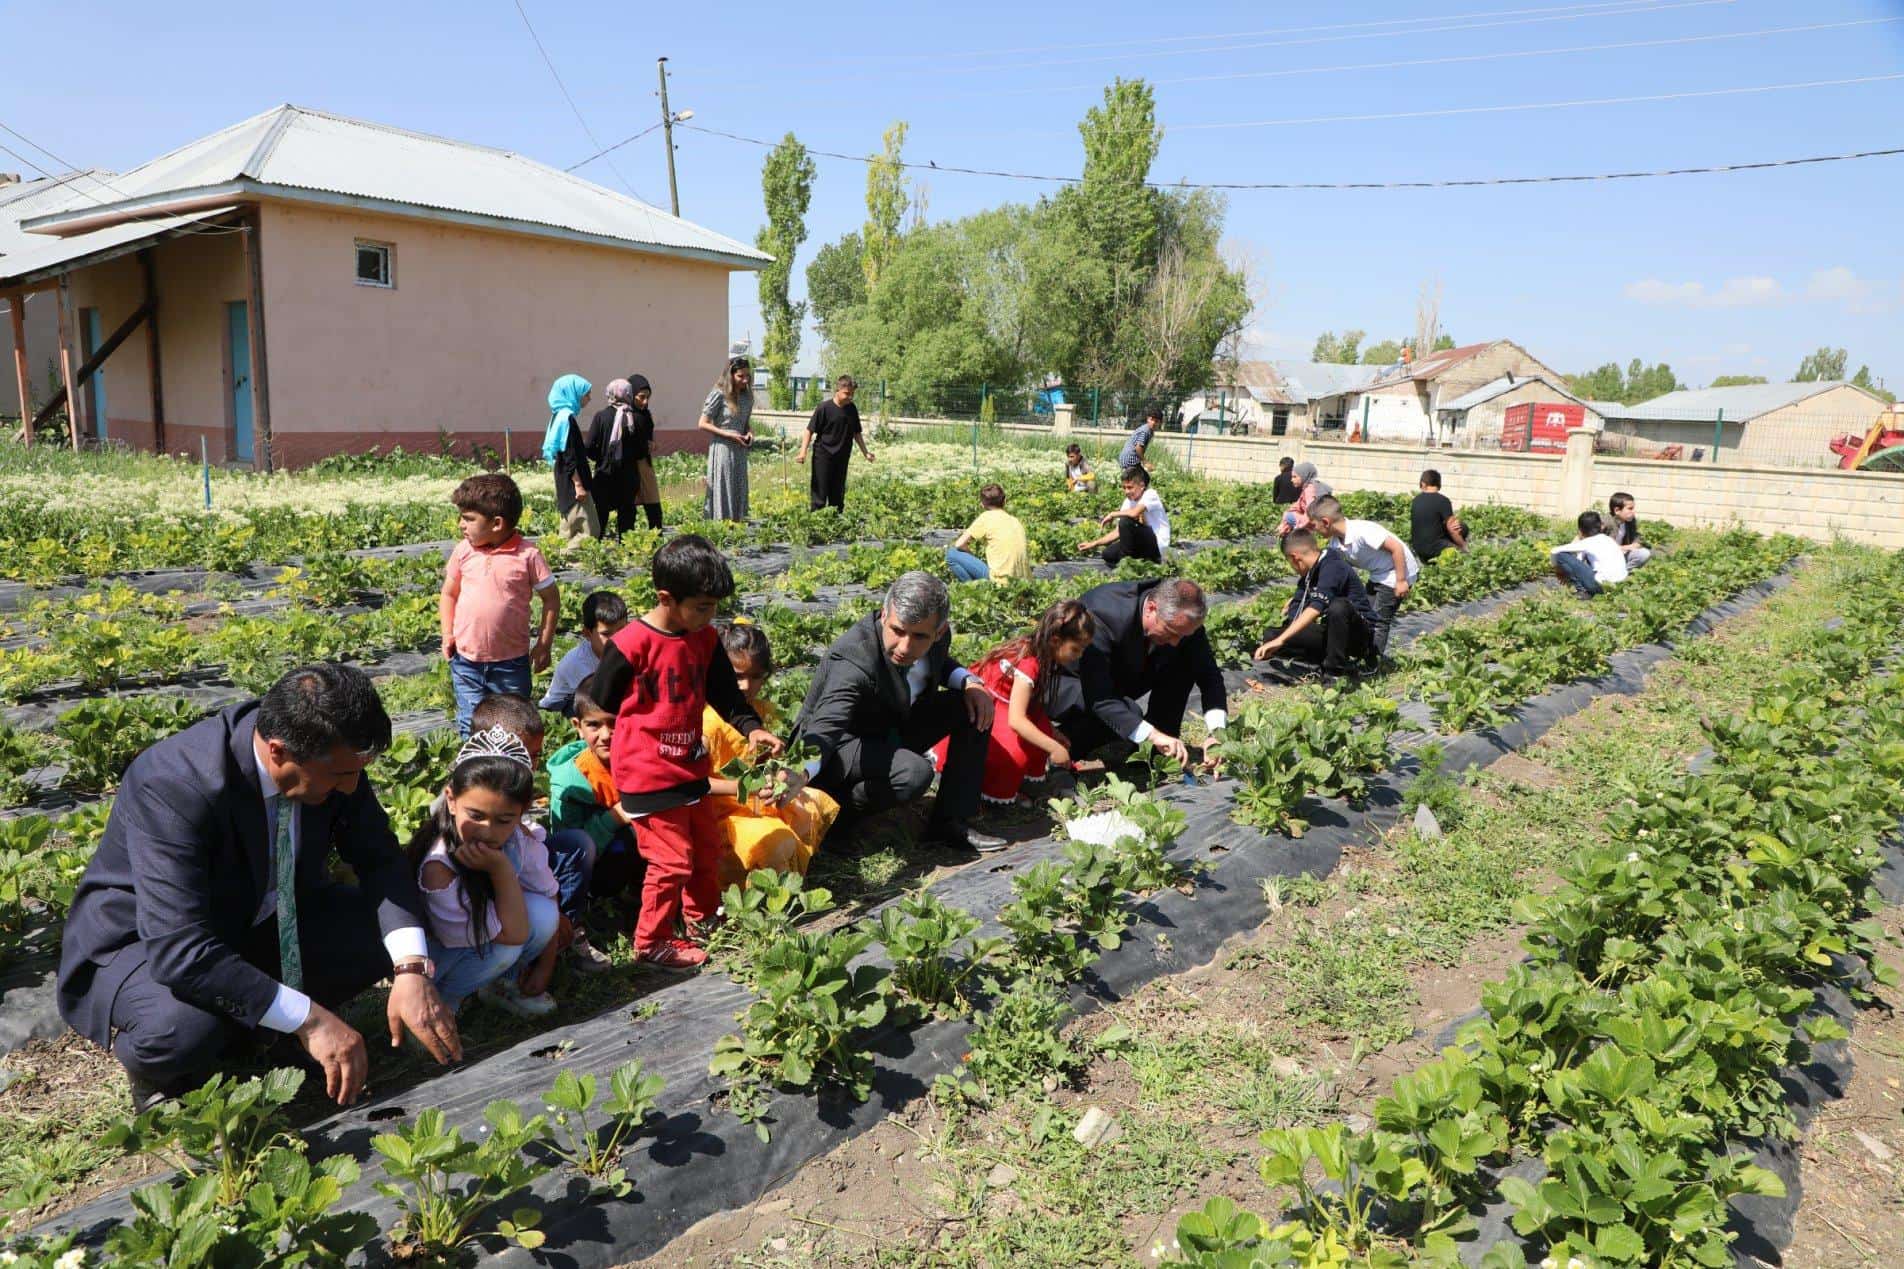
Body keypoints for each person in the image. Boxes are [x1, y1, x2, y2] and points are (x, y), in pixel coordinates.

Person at [57, 663, 461, 1109]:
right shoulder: (174, 783)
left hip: (254, 918)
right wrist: (309, 1020)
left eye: (357, 772)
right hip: (144, 944)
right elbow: (179, 949)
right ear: (278, 752)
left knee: (382, 934)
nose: (352, 787)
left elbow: (379, 857)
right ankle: (162, 1074)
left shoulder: (334, 760)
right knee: (184, 1030)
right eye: (340, 776)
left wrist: (409, 969)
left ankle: (264, 1025)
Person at [591, 535, 786, 968]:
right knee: (671, 861)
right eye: (701, 606)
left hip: (689, 767)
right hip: (647, 773)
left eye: (715, 606)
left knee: (705, 848)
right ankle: (651, 941)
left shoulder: (705, 639)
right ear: (666, 597)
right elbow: (601, 697)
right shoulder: (631, 643)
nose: (710, 616)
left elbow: (726, 697)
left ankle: (703, 919)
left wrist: (752, 730)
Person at [792, 571, 1002, 854]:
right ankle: (836, 817)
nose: (905, 646)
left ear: (938, 632)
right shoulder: (854, 658)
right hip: (844, 747)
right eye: (898, 631)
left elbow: (939, 663)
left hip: (890, 726)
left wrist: (969, 682)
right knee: (914, 773)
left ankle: (951, 822)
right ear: (883, 615)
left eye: (919, 637)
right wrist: (798, 772)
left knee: (973, 707)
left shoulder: (936, 638)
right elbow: (829, 721)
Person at [408, 727, 562, 1017]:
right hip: (439, 958)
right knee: (505, 950)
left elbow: (548, 894)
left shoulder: (518, 838)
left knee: (543, 913)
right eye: (475, 816)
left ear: (523, 810)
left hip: (486, 933)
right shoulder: (438, 868)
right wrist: (501, 870)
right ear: (451, 801)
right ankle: (441, 1001)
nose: (488, 832)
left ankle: (499, 984)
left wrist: (545, 965)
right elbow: (514, 935)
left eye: (504, 819)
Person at [466, 693, 611, 973]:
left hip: (525, 878)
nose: (529, 765)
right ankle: (511, 970)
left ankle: (559, 940)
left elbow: (535, 863)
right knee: (541, 911)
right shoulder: (469, 798)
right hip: (490, 903)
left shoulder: (518, 794)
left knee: (576, 845)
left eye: (533, 756)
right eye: (522, 755)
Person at [704, 620, 840, 889]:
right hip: (717, 814)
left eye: (755, 677)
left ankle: (777, 879)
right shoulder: (707, 722)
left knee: (811, 802)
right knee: (775, 842)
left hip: (749, 800)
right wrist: (744, 787)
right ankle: (753, 889)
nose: (745, 686)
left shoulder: (753, 711)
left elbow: (753, 760)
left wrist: (774, 768)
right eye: (737, 676)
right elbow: (691, 784)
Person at [1053, 577, 1227, 773]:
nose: (1176, 641)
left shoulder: (1182, 620)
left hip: (1122, 674)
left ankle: (1157, 753)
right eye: (1171, 632)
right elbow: (1100, 699)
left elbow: (1209, 675)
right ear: (1151, 608)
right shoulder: (1102, 615)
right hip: (1071, 682)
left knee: (1184, 661)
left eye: (1183, 635)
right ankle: (1056, 746)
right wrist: (1150, 733)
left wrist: (1218, 735)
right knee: (1128, 714)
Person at [932, 599, 1096, 805]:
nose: (1079, 656)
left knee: (1042, 731)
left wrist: (1052, 733)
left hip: (1006, 701)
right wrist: (1054, 748)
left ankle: (1016, 781)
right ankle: (986, 787)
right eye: (1075, 649)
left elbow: (1027, 706)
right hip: (989, 700)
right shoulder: (1029, 664)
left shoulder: (1040, 651)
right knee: (1013, 753)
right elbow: (1017, 721)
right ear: (1055, 640)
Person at [440, 472, 560, 736]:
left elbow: (551, 599)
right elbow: (449, 594)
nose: (462, 524)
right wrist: (447, 633)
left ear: (496, 523)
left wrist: (544, 644)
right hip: (466, 659)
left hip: (510, 663)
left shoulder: (528, 555)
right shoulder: (463, 551)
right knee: (470, 722)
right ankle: (474, 769)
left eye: (469, 519)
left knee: (514, 723)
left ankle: (514, 768)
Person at [546, 673, 644, 912]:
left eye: (615, 723)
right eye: (594, 725)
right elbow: (569, 849)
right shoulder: (569, 783)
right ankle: (595, 901)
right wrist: (614, 818)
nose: (606, 735)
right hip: (593, 866)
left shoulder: (642, 761)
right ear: (578, 727)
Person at [1252, 530, 1380, 677]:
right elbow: (1296, 612)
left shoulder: (1333, 566)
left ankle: (1334, 672)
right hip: (1333, 633)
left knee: (1338, 607)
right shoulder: (1308, 576)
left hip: (1357, 635)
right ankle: (1330, 658)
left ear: (1295, 558)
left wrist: (1281, 640)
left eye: (1290, 563)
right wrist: (1278, 637)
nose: (1293, 568)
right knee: (1271, 635)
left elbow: (1316, 607)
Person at [1307, 495, 1419, 656]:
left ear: (1325, 522)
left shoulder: (1362, 531)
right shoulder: (1336, 542)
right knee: (1365, 614)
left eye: (1314, 525)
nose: (1314, 530)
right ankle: (1362, 653)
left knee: (1380, 620)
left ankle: (1373, 662)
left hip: (1397, 571)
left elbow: (1396, 548)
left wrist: (1401, 581)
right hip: (1378, 573)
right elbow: (1332, 569)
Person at [588, 375, 663, 537]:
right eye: (641, 397)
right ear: (629, 393)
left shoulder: (600, 416)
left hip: (604, 474)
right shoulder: (635, 418)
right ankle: (626, 551)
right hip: (628, 475)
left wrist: (601, 459)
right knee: (627, 516)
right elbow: (641, 450)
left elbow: (589, 447)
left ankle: (595, 552)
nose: (645, 402)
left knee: (601, 515)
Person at [540, 590, 630, 718]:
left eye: (622, 630)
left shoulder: (627, 649)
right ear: (587, 634)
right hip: (560, 708)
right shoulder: (577, 662)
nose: (616, 639)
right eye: (606, 634)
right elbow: (597, 699)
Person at [797, 375, 874, 512]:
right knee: (820, 491)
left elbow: (857, 433)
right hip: (823, 454)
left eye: (852, 394)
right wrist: (803, 452)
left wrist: (866, 453)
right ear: (837, 390)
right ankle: (817, 520)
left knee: (837, 493)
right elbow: (809, 431)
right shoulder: (824, 408)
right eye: (847, 393)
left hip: (842, 455)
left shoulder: (851, 409)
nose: (850, 397)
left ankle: (836, 522)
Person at [698, 356, 755, 522]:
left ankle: (737, 526)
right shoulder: (719, 394)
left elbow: (746, 422)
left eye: (747, 376)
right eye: (740, 376)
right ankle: (721, 525)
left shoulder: (747, 397)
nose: (745, 380)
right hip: (723, 448)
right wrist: (727, 434)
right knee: (725, 487)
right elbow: (702, 423)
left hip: (740, 450)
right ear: (731, 375)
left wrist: (750, 432)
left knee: (738, 488)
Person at [542, 374, 597, 544]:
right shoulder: (566, 419)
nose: (589, 398)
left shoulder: (559, 417)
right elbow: (569, 456)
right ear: (572, 393)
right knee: (587, 529)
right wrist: (579, 486)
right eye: (585, 394)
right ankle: (574, 563)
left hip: (566, 481)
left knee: (571, 527)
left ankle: (565, 559)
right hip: (573, 484)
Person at [1079, 466, 1170, 568]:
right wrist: (1094, 543)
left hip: (1157, 544)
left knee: (1125, 521)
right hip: (1142, 542)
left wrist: (1113, 514)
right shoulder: (1128, 502)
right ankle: (1138, 561)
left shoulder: (1150, 495)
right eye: (1124, 487)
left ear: (1142, 486)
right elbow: (1118, 531)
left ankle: (1126, 565)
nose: (1126, 491)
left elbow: (1134, 513)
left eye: (1130, 487)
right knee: (1108, 554)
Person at [946, 483, 1032, 584]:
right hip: (1024, 582)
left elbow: (959, 544)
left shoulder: (986, 517)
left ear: (982, 504)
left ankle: (974, 590)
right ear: (1005, 501)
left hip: (1001, 581)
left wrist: (970, 554)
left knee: (952, 554)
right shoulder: (1015, 521)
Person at [1552, 510, 1628, 597]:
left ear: (1580, 530)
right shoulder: (1609, 540)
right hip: (1619, 586)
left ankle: (1582, 591)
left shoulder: (1587, 542)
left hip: (1601, 586)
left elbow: (1554, 551)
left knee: (1561, 555)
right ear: (1601, 526)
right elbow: (1579, 563)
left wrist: (1558, 570)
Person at [1410, 469, 1467, 563]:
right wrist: (1464, 546)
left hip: (1417, 547)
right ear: (1439, 484)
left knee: (1460, 525)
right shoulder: (1443, 501)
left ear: (1423, 484)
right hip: (1434, 548)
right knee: (1462, 553)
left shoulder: (1416, 500)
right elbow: (1453, 530)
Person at [1278, 462, 1332, 536]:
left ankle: (1298, 537)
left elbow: (1311, 511)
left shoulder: (1309, 490)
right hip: (1317, 520)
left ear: (1304, 476)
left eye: (1295, 477)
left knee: (1288, 516)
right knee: (1289, 514)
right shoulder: (1311, 486)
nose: (1291, 480)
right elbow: (1297, 505)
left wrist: (1299, 528)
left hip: (1315, 522)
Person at [1606, 492, 1651, 569]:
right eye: (1630, 508)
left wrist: (1636, 543)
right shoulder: (1606, 522)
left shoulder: (1630, 521)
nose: (1633, 512)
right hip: (1605, 556)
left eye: (1633, 508)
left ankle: (1624, 574)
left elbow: (1637, 536)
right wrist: (1624, 547)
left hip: (1621, 554)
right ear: (1617, 510)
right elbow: (1598, 545)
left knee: (1644, 553)